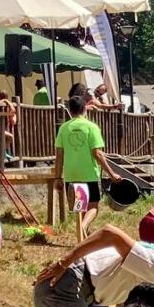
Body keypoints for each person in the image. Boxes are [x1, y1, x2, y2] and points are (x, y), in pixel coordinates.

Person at [54, 95, 121, 237]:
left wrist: (57, 177)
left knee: (80, 207)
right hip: (88, 174)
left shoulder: (64, 128)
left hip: (71, 174)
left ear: (70, 111)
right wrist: (111, 174)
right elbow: (97, 153)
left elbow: (59, 155)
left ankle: (82, 234)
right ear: (85, 108)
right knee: (93, 206)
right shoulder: (91, 127)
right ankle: (83, 227)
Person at [0, 90, 17, 158]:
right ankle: (5, 152)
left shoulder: (5, 104)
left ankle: (5, 152)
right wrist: (6, 101)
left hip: (0, 129)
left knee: (10, 137)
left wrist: (7, 102)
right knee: (9, 137)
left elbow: (13, 111)